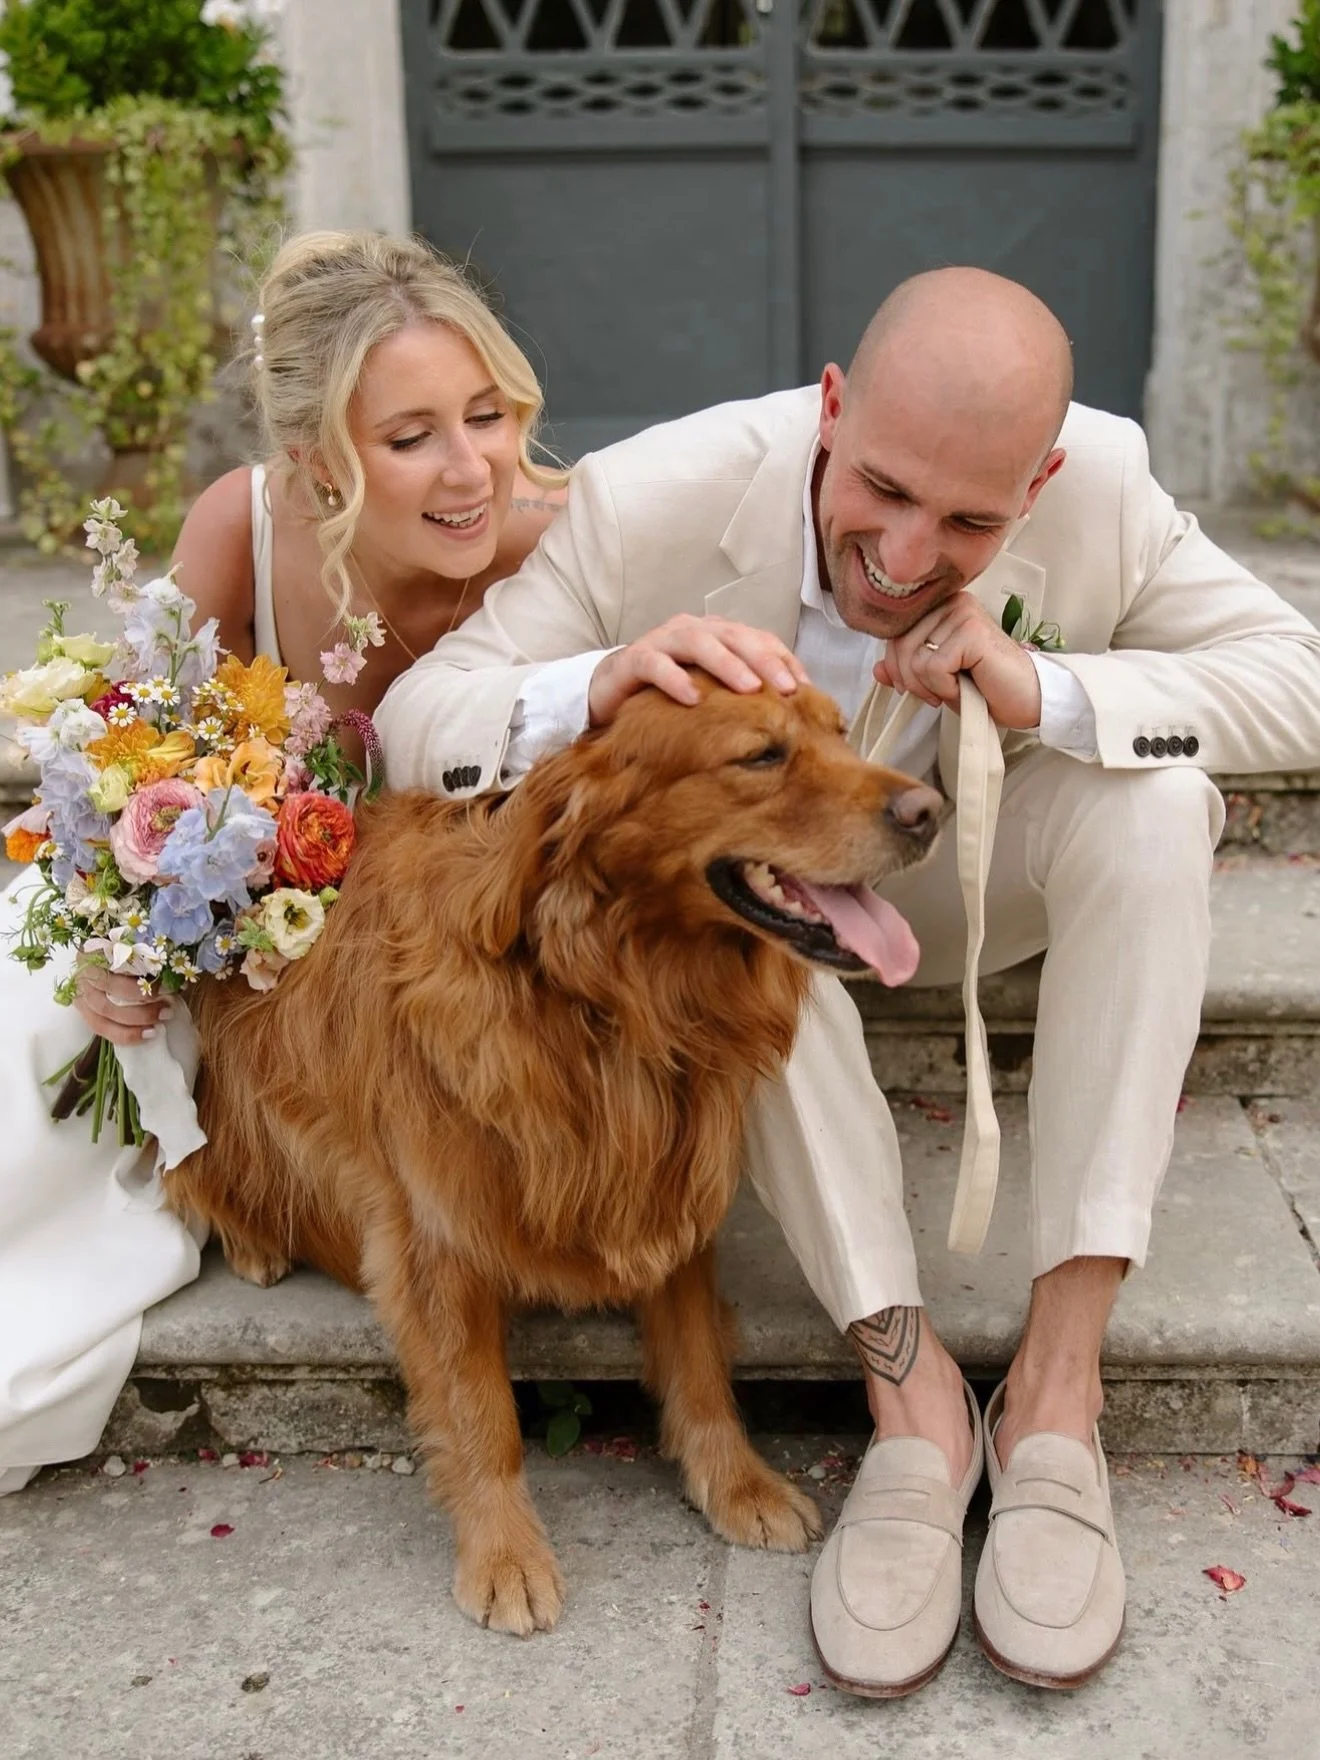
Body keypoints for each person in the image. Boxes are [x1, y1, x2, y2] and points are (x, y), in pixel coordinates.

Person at [375, 266, 1320, 1694]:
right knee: (727, 918)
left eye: (972, 523)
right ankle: (913, 1398)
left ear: (1041, 482)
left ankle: (1058, 1390)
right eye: (881, 487)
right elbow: (414, 719)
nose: (906, 550)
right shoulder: (650, 498)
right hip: (775, 888)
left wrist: (1051, 689)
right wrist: (605, 677)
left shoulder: (1109, 483)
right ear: (829, 408)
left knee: (1158, 806)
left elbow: (1296, 675)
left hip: (976, 865)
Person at [0, 229, 564, 1495]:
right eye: (411, 436)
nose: (471, 467)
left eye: (486, 415)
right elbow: (133, 757)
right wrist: (108, 936)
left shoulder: (560, 536)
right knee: (34, 1045)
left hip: (418, 961)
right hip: (227, 927)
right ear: (315, 457)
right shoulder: (244, 523)